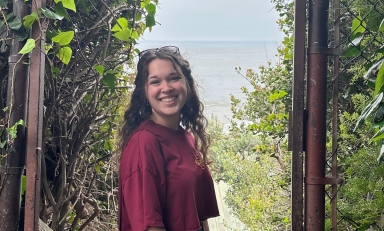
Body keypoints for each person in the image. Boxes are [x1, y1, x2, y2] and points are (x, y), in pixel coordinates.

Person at [118, 46, 219, 231]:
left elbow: (199, 217)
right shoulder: (144, 143)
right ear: (145, 92)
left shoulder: (186, 137)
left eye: (174, 78)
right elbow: (149, 226)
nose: (166, 88)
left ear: (186, 84)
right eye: (155, 82)